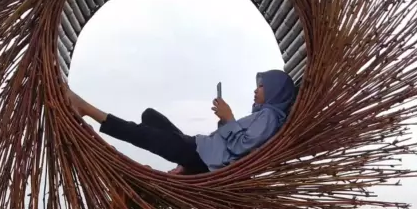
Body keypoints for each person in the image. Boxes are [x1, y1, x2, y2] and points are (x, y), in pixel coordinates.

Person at [67, 69, 296, 175]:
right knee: (150, 116)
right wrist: (225, 120)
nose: (256, 90)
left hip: (205, 160)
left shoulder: (269, 117)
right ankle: (183, 164)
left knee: (146, 135)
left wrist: (228, 118)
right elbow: (234, 139)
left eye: (261, 86)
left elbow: (241, 147)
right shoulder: (261, 115)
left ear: (276, 90)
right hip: (202, 148)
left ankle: (86, 108)